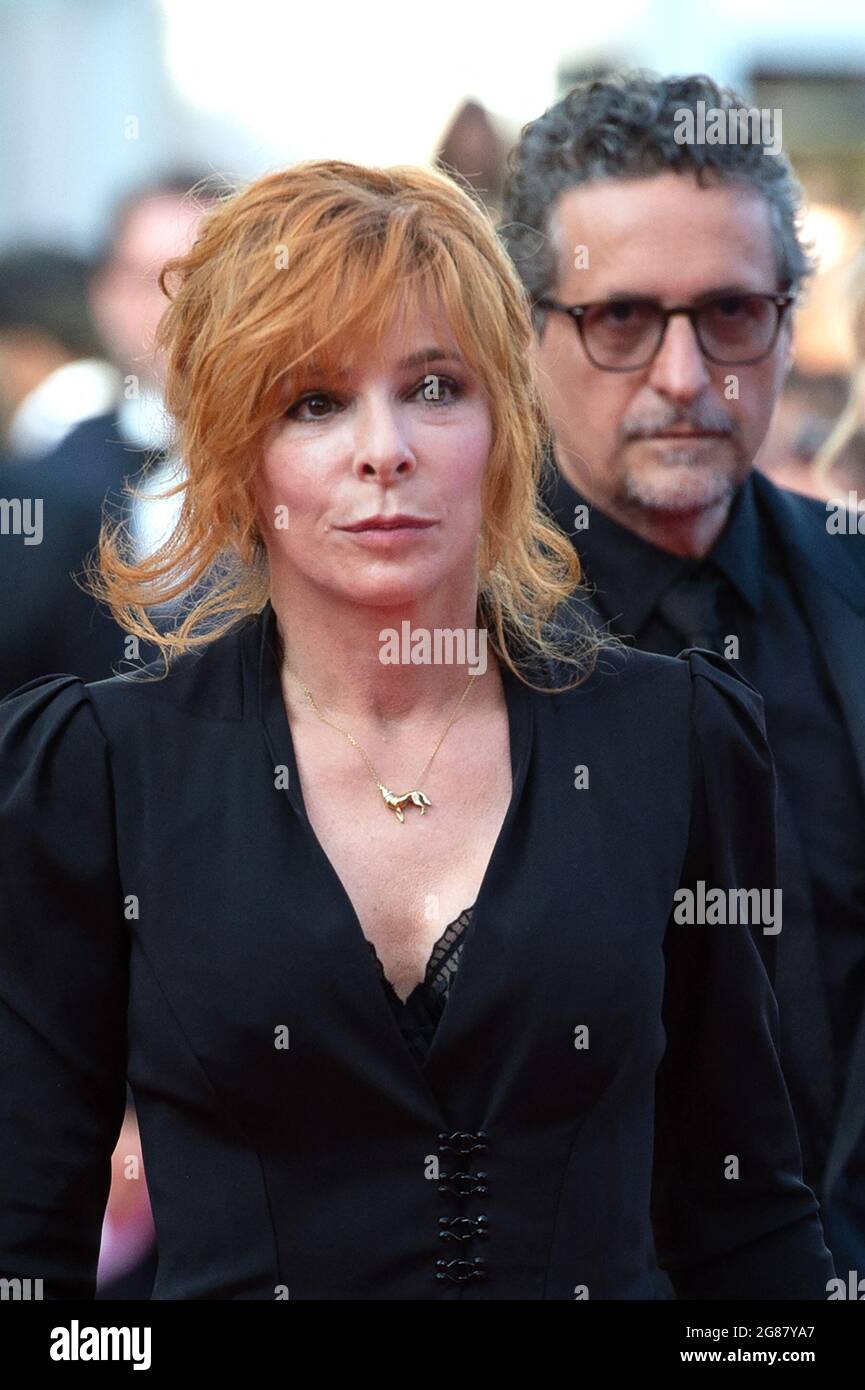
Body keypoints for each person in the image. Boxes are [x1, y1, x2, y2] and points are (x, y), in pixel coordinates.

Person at [0, 158, 834, 1300]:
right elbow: (26, 1243)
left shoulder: (671, 737)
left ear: (502, 423)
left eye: (434, 386)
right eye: (314, 400)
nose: (382, 448)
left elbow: (741, 1216)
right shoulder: (102, 770)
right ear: (238, 456)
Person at [500, 70, 865, 1275]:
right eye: (619, 321)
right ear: (526, 331)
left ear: (785, 316)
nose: (680, 376)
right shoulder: (438, 651)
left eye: (727, 314)